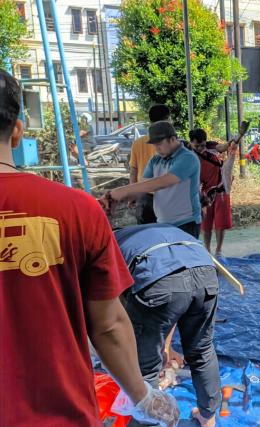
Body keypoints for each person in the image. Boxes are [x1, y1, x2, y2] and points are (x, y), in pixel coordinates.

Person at [0, 70, 178, 426]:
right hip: (60, 413)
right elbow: (108, 324)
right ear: (18, 132)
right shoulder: (75, 209)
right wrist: (142, 396)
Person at [113, 224, 222, 427]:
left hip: (158, 279)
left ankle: (147, 423)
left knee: (145, 367)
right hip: (205, 272)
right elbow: (172, 306)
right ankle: (208, 416)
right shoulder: (149, 231)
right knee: (202, 350)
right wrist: (164, 347)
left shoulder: (107, 245)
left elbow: (114, 310)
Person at [102, 121, 202, 238]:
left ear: (173, 139)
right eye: (154, 144)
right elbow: (145, 185)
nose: (156, 148)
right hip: (162, 222)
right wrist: (120, 199)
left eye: (159, 143)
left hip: (186, 223)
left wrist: (121, 191)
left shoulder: (188, 158)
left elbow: (163, 182)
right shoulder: (155, 159)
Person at [189, 129, 234, 256]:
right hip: (203, 193)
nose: (200, 148)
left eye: (202, 145)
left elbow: (223, 147)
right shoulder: (187, 154)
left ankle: (219, 250)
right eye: (196, 146)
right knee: (205, 223)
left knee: (221, 221)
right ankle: (207, 250)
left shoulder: (211, 146)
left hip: (220, 189)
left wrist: (235, 139)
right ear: (191, 143)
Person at [129, 104, 172, 224]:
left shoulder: (138, 143)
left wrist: (132, 194)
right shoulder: (172, 143)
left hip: (144, 197)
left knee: (146, 236)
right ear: (167, 120)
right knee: (169, 236)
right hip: (167, 197)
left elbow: (133, 171)